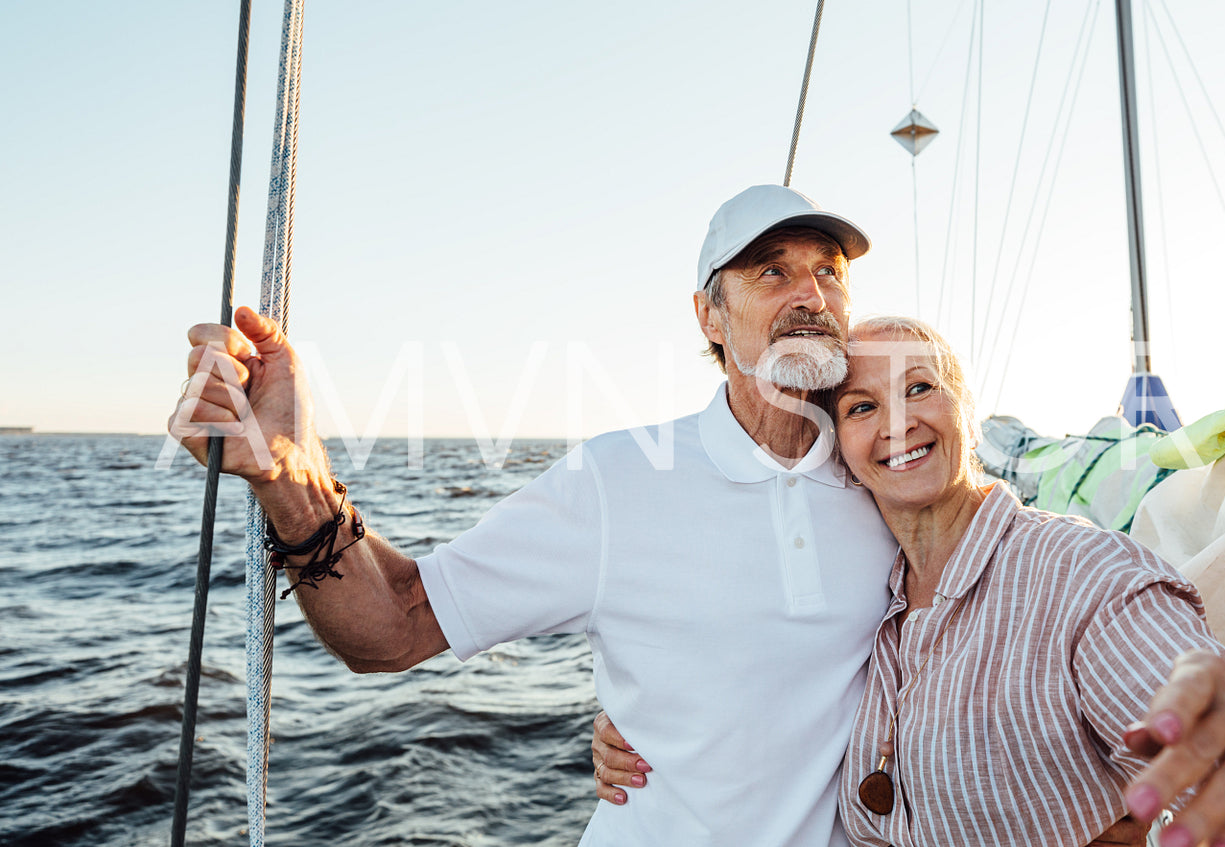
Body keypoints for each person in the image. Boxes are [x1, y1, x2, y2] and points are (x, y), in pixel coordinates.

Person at [170, 185, 897, 846]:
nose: (811, 293)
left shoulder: (890, 478)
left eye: (829, 271)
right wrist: (291, 474)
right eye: (772, 271)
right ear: (709, 315)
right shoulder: (617, 482)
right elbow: (394, 624)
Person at [594, 316, 1225, 847]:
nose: (898, 422)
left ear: (966, 412)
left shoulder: (1081, 577)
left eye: (920, 387)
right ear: (835, 443)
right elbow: (749, 663)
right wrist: (646, 719)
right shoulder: (859, 598)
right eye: (862, 405)